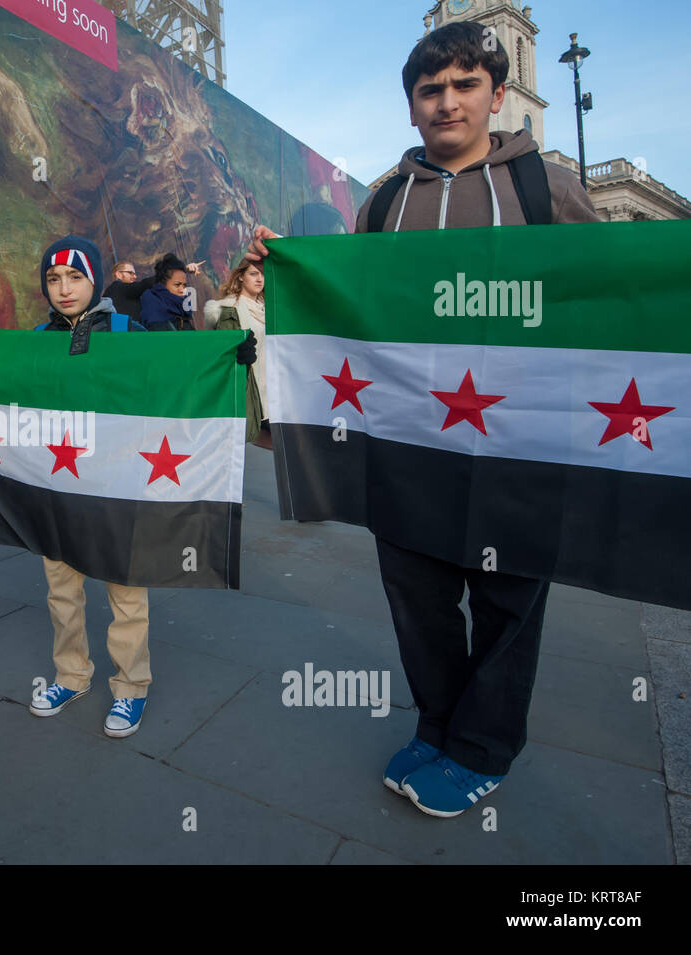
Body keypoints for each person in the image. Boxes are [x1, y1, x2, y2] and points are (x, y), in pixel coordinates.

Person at [246, 21, 599, 817]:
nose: (447, 101)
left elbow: (607, 295)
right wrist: (291, 269)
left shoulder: (549, 188)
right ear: (412, 108)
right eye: (430, 90)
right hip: (410, 448)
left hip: (520, 449)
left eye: (465, 85)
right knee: (420, 599)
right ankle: (438, 726)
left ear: (497, 95)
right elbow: (351, 301)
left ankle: (484, 748)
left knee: (509, 605)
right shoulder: (384, 202)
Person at [29, 236, 255, 737]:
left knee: (126, 593)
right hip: (58, 488)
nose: (64, 289)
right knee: (61, 591)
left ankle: (130, 687)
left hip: (118, 488)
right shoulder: (38, 338)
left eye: (75, 277)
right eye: (53, 278)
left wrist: (225, 356)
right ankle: (72, 675)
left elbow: (175, 371)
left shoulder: (130, 329)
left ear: (95, 279)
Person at [203, 258, 269, 449]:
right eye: (253, 273)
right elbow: (223, 359)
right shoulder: (228, 310)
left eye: (263, 274)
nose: (259, 279)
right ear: (240, 277)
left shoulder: (271, 308)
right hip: (248, 393)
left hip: (273, 391)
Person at [138, 253, 197, 331]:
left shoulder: (184, 310)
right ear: (162, 285)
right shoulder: (153, 308)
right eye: (177, 285)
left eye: (184, 285)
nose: (182, 290)